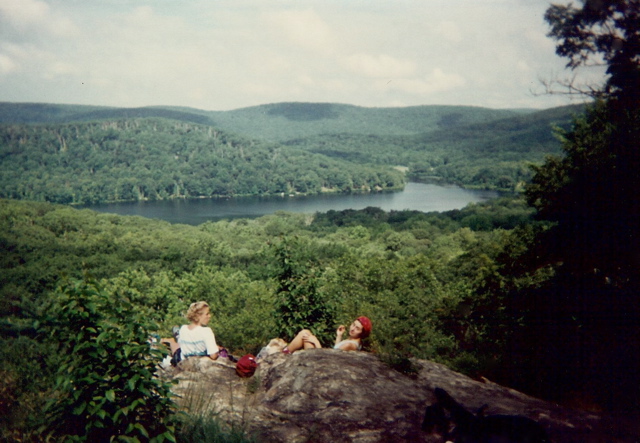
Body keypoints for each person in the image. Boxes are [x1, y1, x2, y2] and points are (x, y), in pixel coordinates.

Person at [282, 316, 372, 354]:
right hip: (325, 359)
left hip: (322, 362)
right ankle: (286, 352)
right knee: (306, 333)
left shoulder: (350, 345)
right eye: (353, 325)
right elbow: (336, 350)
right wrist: (339, 336)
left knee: (305, 334)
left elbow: (329, 356)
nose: (352, 329)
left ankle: (285, 352)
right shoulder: (352, 341)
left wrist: (316, 342)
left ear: (362, 333)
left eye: (357, 328)